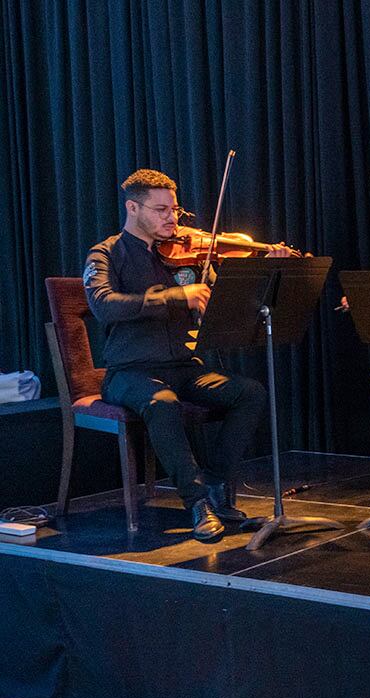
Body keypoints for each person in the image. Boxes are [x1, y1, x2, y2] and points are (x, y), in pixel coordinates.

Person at [84, 169, 288, 541]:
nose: (172, 219)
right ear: (133, 207)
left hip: (184, 366)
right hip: (130, 371)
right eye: (161, 210)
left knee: (249, 392)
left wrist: (268, 266)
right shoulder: (106, 253)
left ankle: (213, 485)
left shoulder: (189, 254)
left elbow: (228, 301)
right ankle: (197, 503)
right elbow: (103, 305)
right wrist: (175, 296)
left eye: (175, 210)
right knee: (162, 403)